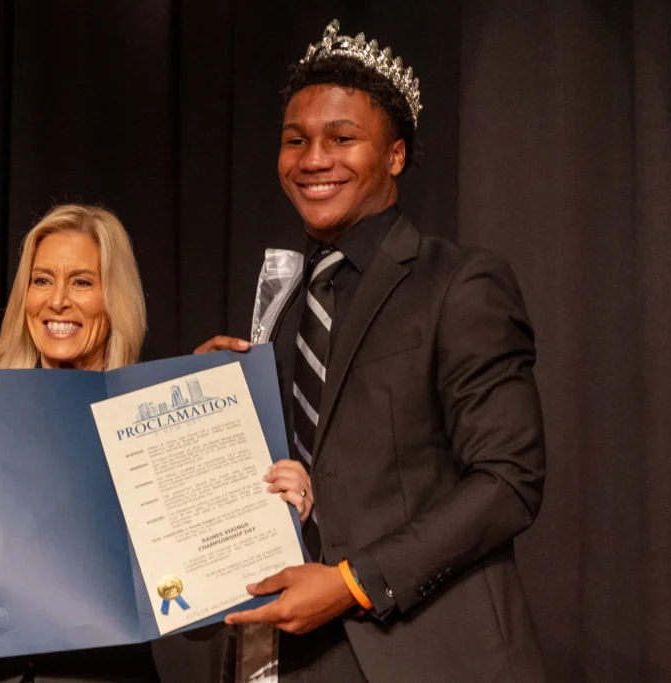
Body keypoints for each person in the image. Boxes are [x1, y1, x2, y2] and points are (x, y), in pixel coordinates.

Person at [196, 20, 548, 683]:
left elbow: (508, 479)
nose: (313, 158)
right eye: (295, 140)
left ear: (394, 155)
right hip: (287, 658)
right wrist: (210, 412)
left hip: (428, 652)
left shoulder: (457, 282)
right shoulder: (279, 309)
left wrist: (354, 582)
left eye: (342, 138)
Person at [0, 204, 315, 683]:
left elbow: (202, 613)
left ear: (113, 298)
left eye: (81, 282)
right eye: (41, 281)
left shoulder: (159, 427)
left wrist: (275, 514)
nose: (57, 301)